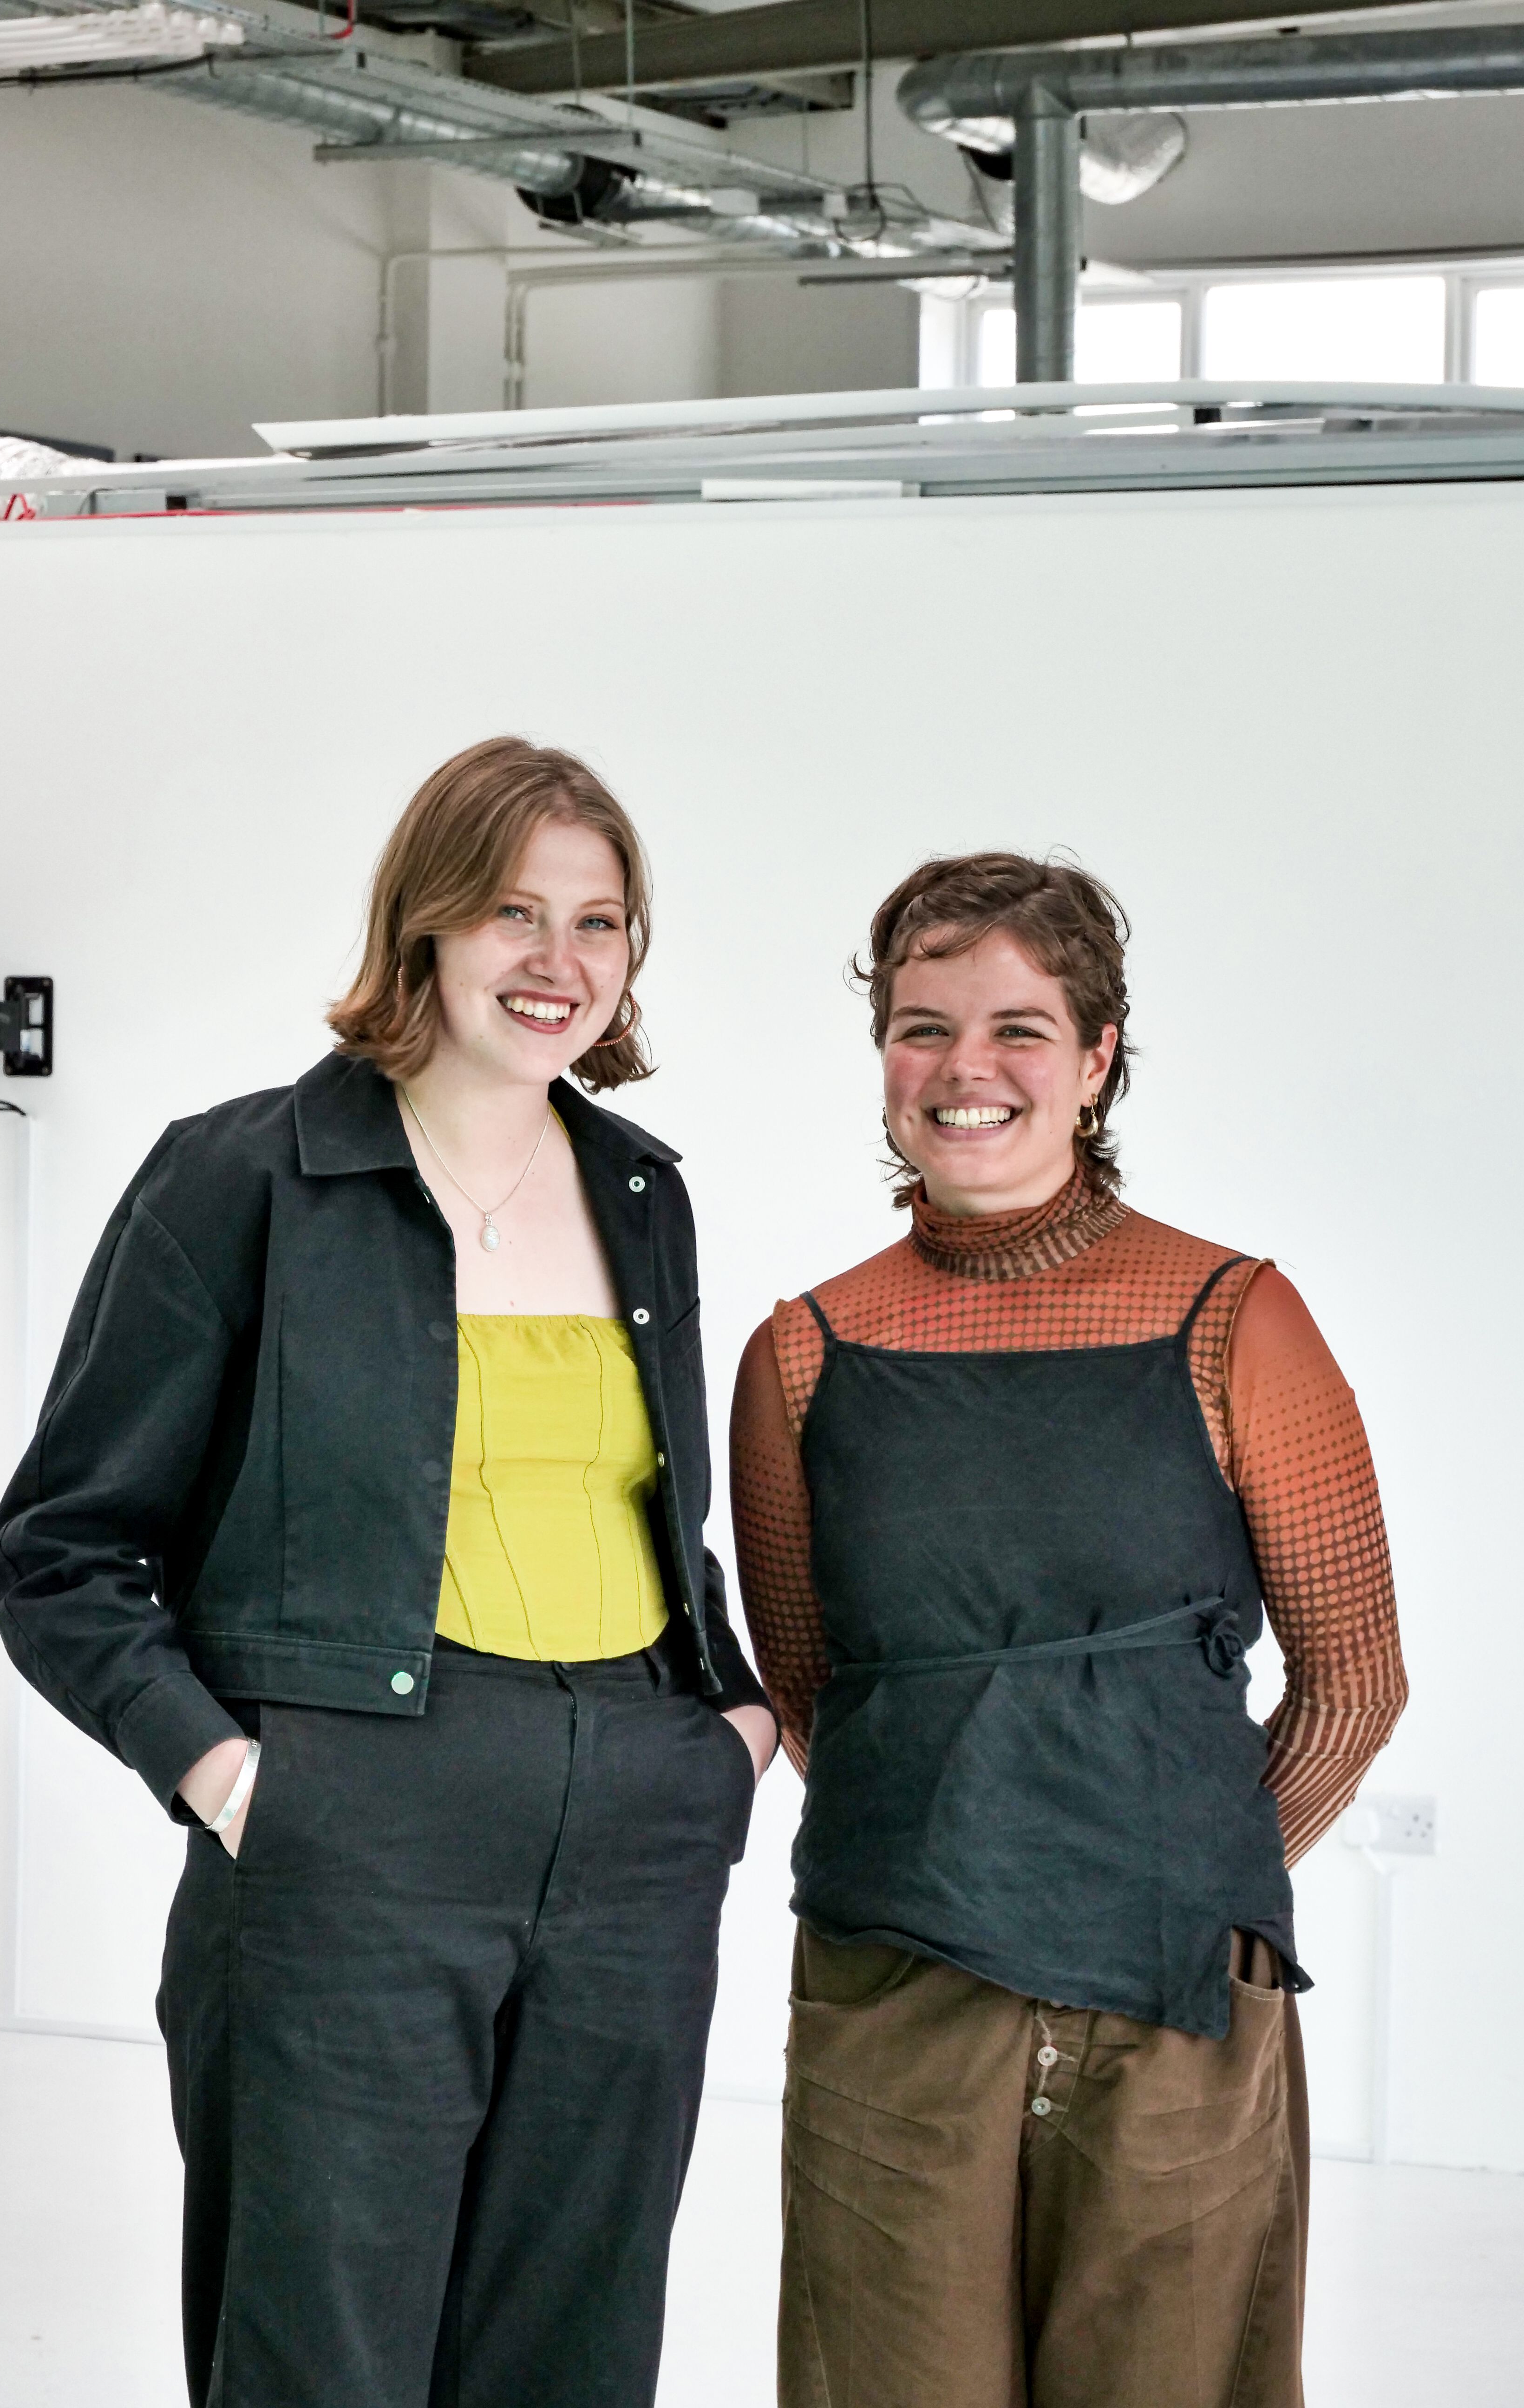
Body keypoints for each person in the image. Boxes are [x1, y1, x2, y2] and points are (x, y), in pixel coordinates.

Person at [0, 735, 778, 2408]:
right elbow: (61, 1551)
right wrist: (226, 1775)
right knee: (320, 2356)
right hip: (352, 1827)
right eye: (513, 911)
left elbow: (651, 1505)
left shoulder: (645, 1198)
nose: (559, 963)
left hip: (636, 1829)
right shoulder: (246, 1177)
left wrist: (733, 1732)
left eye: (602, 923)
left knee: (574, 2349)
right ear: (423, 923)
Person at [730, 851, 1407, 2408]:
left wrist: (1180, 1870)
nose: (967, 1070)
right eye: (922, 1026)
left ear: (1097, 1061)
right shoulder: (805, 1354)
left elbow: (1356, 1682)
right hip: (893, 1986)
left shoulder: (1240, 1318)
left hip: (1173, 1993)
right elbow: (817, 1689)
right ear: (884, 1055)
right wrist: (977, 1854)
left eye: (1019, 1029)